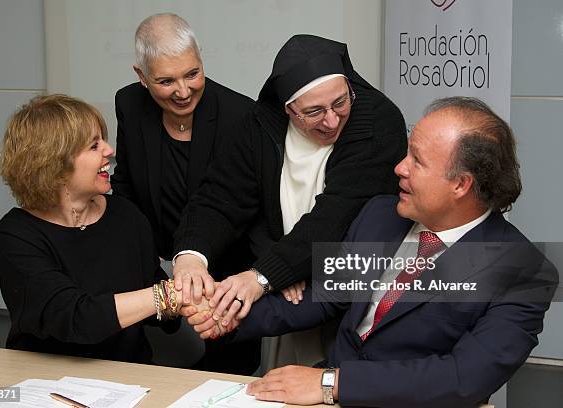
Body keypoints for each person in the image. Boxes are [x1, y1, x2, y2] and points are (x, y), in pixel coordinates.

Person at [184, 97, 559, 407]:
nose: (399, 168)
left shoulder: (521, 269)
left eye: (417, 161)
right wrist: (229, 314)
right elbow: (323, 298)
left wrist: (331, 383)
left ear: (461, 184)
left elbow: (463, 377)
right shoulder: (381, 215)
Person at [172, 35, 407, 360]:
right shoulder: (260, 123)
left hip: (353, 294)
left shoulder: (378, 122)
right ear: (288, 109)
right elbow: (220, 198)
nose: (332, 120)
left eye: (341, 102)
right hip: (289, 293)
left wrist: (265, 275)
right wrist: (190, 257)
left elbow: (337, 216)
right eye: (313, 111)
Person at [0, 94, 208, 364]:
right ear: (55, 163)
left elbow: (154, 305)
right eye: (94, 146)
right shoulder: (14, 236)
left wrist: (192, 299)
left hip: (128, 380)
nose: (109, 150)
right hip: (45, 383)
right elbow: (77, 318)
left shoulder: (126, 215)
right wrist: (167, 295)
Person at [110, 13, 259, 374]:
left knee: (226, 379)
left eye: (192, 74)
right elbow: (126, 186)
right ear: (141, 76)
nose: (183, 90)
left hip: (223, 277)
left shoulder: (241, 115)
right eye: (165, 80)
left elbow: (250, 207)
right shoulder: (129, 104)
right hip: (155, 271)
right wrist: (144, 264)